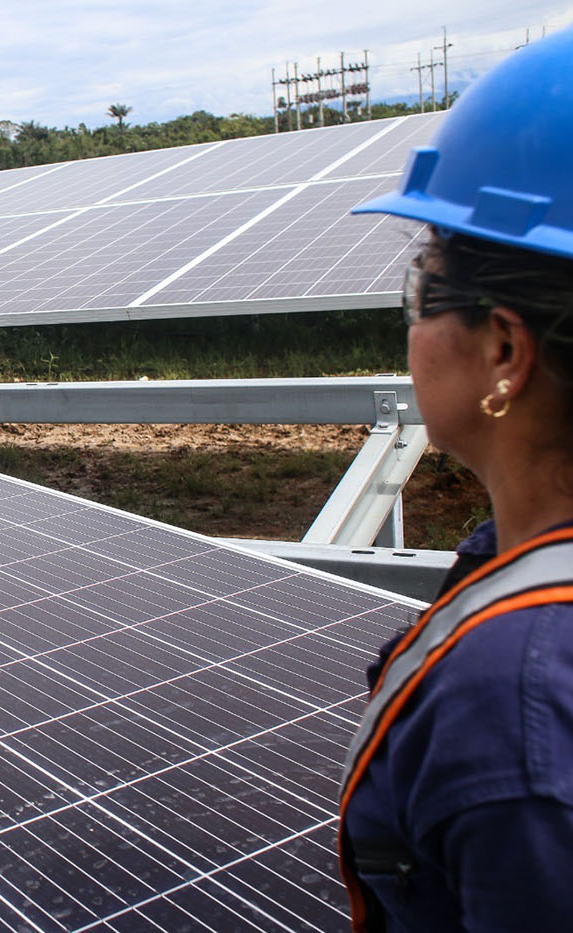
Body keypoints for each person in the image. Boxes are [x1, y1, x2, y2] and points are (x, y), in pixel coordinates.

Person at [337, 28, 573, 933]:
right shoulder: (510, 567)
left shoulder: (516, 704)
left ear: (504, 348)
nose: (409, 326)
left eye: (421, 289)